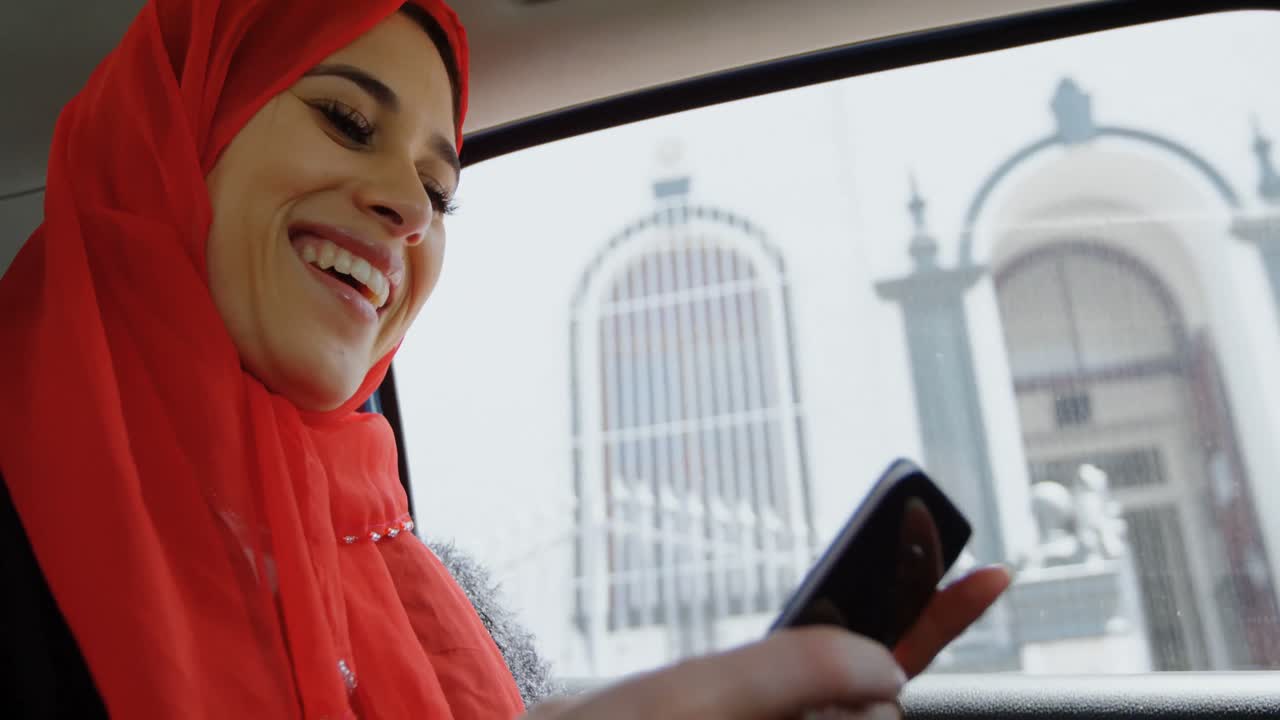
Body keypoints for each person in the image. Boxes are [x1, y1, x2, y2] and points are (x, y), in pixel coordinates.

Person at [0, 0, 1010, 717]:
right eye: (346, 121)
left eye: (439, 194)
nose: (405, 209)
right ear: (168, 140)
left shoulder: (440, 591)